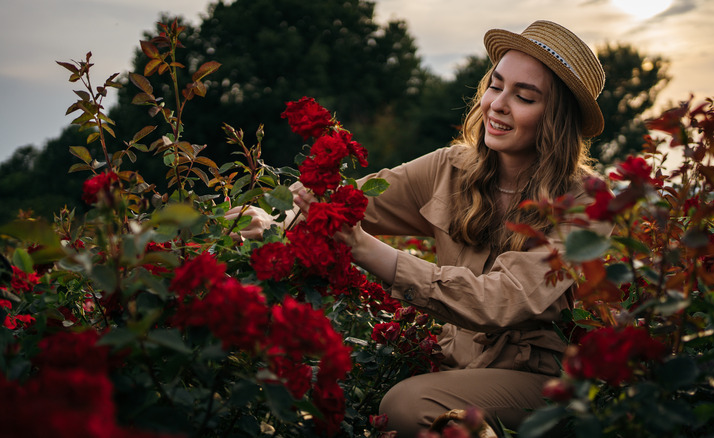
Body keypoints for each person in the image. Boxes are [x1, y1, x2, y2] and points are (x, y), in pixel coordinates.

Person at [230, 20, 611, 436]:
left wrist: (364, 248)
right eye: (496, 85)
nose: (498, 104)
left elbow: (502, 301)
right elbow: (345, 201)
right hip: (456, 364)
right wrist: (271, 221)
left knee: (407, 405)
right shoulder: (450, 168)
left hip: (541, 381)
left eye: (524, 96)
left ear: (556, 119)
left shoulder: (587, 203)